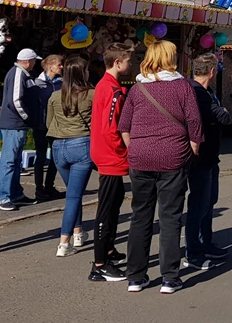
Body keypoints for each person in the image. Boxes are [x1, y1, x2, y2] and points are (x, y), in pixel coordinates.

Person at [120, 39, 203, 294]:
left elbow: (124, 126)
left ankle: (136, 276)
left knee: (140, 217)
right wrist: (191, 153)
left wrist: (135, 150)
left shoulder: (137, 89)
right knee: (170, 219)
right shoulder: (182, 87)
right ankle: (170, 277)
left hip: (140, 158)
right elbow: (195, 125)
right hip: (173, 157)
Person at [185, 52, 231, 270]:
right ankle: (193, 251)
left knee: (209, 202)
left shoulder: (207, 91)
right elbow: (222, 116)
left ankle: (206, 243)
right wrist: (222, 112)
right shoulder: (197, 92)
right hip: (200, 156)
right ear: (212, 72)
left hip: (211, 154)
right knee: (199, 204)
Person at [90, 43, 131, 282]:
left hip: (107, 154)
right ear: (117, 63)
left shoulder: (108, 86)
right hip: (110, 156)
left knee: (114, 205)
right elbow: (110, 128)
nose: (130, 64)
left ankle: (108, 249)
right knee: (106, 210)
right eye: (128, 61)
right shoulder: (112, 90)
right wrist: (124, 150)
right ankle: (99, 264)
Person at [45, 56, 94, 258]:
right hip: (82, 144)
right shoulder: (92, 94)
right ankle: (64, 242)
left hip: (58, 146)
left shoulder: (55, 96)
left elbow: (48, 122)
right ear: (84, 74)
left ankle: (78, 232)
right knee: (74, 196)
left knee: (73, 194)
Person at [0, 49, 40, 211]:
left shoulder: (21, 74)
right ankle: (3, 197)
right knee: (9, 161)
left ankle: (15, 194)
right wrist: (27, 117)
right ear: (27, 61)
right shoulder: (18, 74)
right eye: (34, 61)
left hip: (17, 124)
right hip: (14, 123)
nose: (35, 64)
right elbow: (16, 100)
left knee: (14, 161)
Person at [33, 54, 64, 202]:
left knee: (55, 156)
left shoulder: (61, 83)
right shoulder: (37, 84)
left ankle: (49, 186)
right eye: (59, 64)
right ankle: (39, 189)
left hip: (56, 125)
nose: (62, 67)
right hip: (41, 125)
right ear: (50, 66)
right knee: (40, 157)